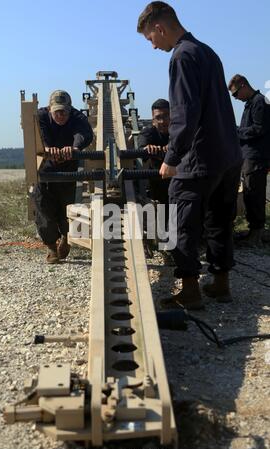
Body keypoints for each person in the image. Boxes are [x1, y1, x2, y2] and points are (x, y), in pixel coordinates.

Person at [137, 2, 242, 310]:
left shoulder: (181, 56)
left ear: (160, 28)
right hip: (228, 155)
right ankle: (220, 284)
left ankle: (190, 290)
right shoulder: (207, 51)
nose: (154, 46)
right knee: (220, 219)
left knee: (181, 217)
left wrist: (172, 157)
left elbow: (184, 113)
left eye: (150, 39)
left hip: (201, 157)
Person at [34, 90, 93, 264]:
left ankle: (67, 238)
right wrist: (48, 148)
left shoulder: (77, 117)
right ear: (49, 109)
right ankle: (51, 246)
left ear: (70, 109)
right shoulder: (40, 116)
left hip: (68, 169)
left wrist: (75, 148)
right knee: (43, 207)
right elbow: (38, 133)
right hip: (44, 168)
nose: (61, 115)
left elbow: (84, 134)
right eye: (57, 112)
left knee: (67, 207)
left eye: (64, 112)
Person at [228, 75, 270, 247]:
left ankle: (257, 234)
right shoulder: (251, 103)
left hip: (256, 156)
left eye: (236, 93)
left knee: (255, 194)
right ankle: (254, 230)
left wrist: (236, 132)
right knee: (249, 194)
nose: (236, 98)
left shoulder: (259, 102)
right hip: (249, 155)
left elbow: (259, 129)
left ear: (244, 86)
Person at [138, 98, 172, 263]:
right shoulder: (148, 132)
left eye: (166, 116)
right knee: (149, 206)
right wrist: (147, 149)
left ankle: (170, 246)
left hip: (173, 180)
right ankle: (147, 241)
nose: (162, 120)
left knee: (171, 210)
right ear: (153, 119)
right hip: (153, 181)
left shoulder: (178, 133)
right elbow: (141, 145)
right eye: (158, 117)